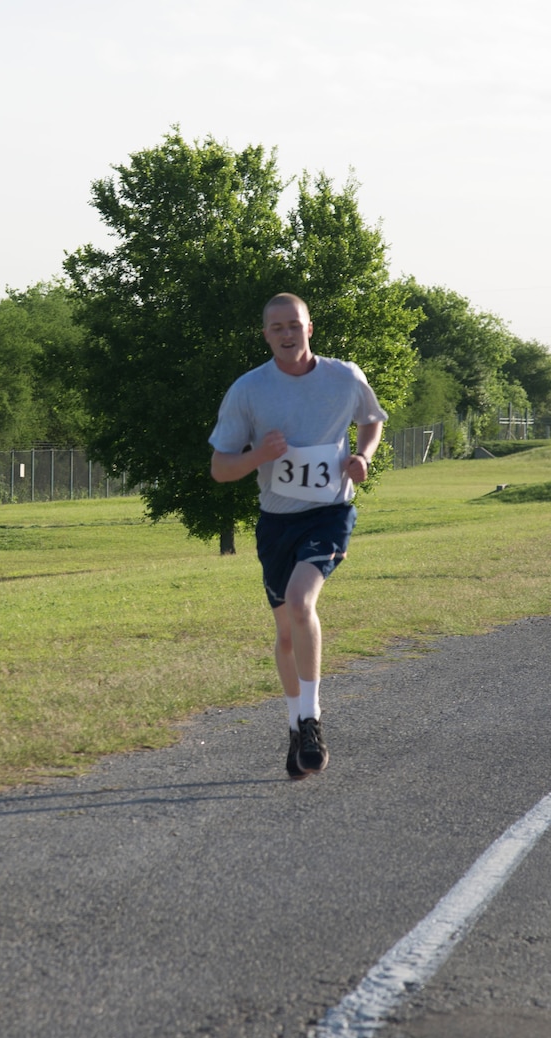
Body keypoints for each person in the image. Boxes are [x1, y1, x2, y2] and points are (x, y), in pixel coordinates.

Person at [210, 293, 385, 778]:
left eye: (294, 325)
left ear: (310, 328)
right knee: (285, 632)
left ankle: (312, 719)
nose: (287, 334)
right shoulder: (248, 390)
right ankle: (294, 727)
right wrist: (255, 457)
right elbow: (221, 468)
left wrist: (363, 457)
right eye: (276, 328)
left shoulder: (344, 377)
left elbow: (371, 421)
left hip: (329, 513)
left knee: (301, 600)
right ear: (266, 335)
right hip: (276, 522)